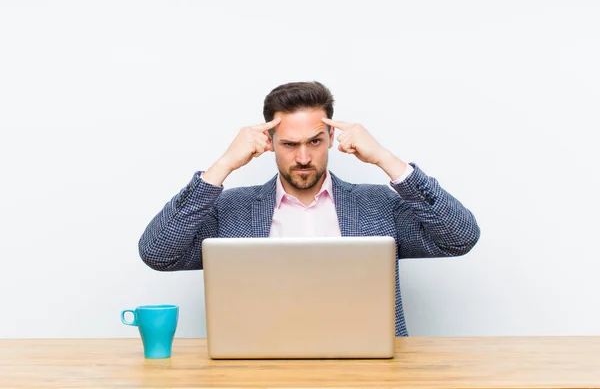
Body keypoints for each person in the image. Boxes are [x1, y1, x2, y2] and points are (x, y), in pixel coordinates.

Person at [138, 81, 480, 336]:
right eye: (289, 144)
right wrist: (223, 165)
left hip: (367, 369)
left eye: (314, 142)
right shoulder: (231, 209)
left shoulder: (377, 205)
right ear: (269, 143)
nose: (303, 158)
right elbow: (158, 253)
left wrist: (386, 159)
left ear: (331, 138)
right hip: (257, 367)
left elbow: (460, 238)